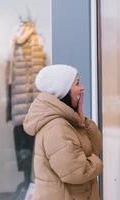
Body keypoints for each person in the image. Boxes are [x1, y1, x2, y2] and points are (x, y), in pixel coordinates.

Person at [23, 64, 103, 200]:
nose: (82, 87)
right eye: (77, 83)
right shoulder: (57, 127)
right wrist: (97, 162)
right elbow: (77, 171)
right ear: (64, 90)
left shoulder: (69, 121)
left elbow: (95, 147)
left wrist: (82, 120)